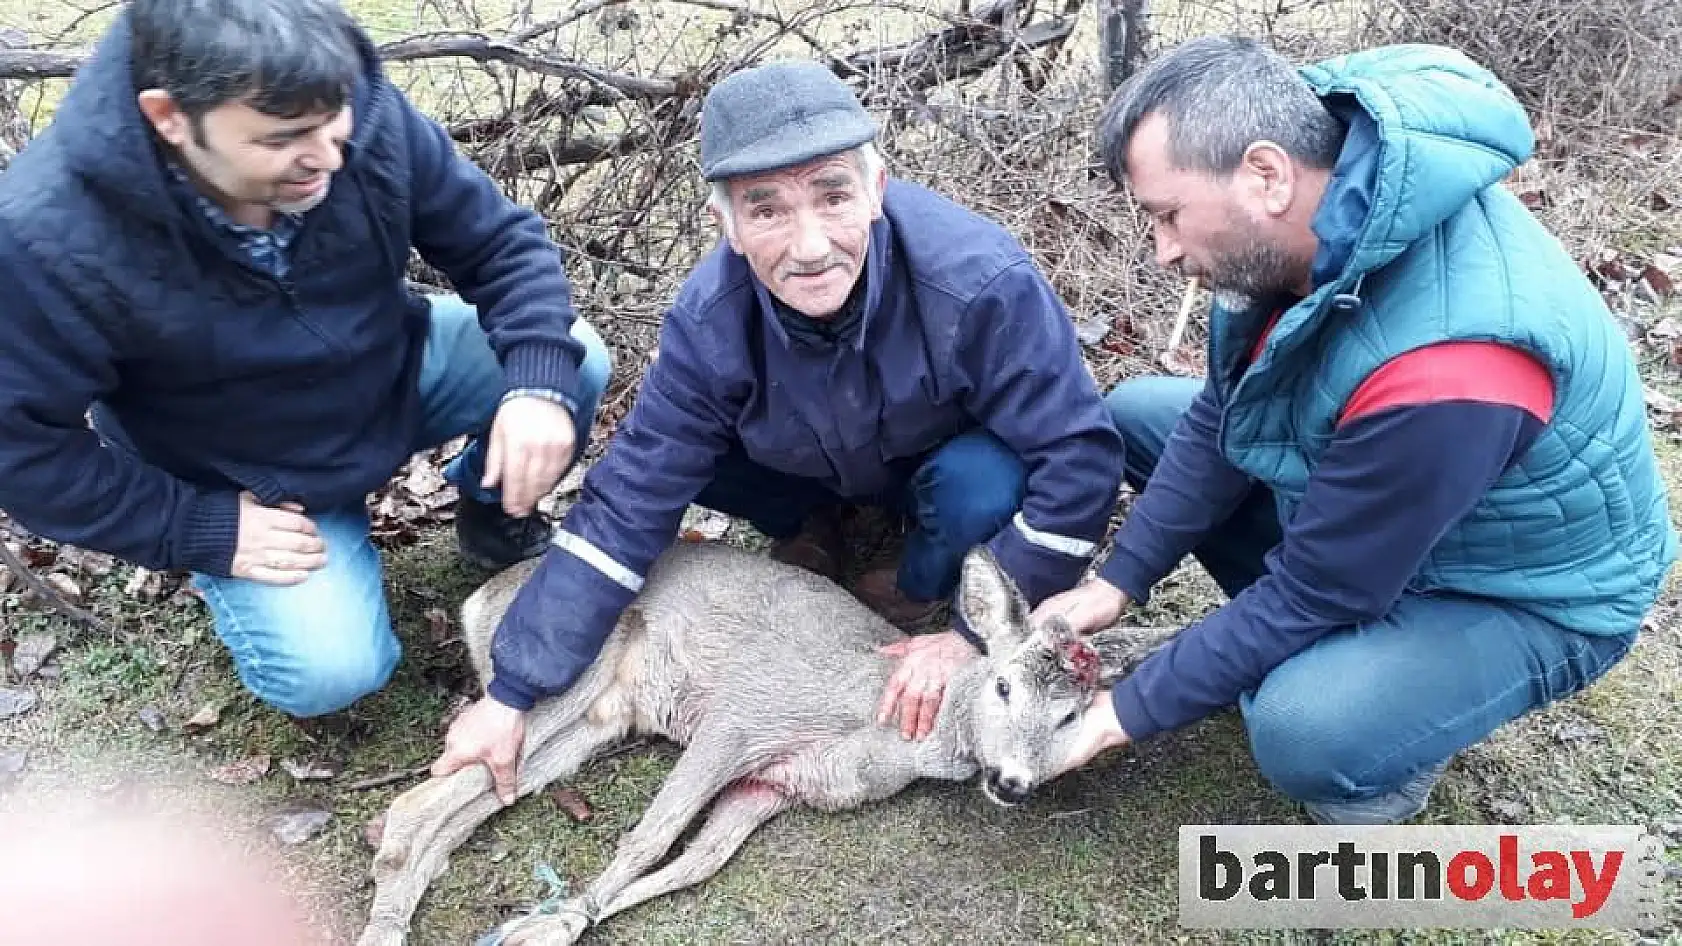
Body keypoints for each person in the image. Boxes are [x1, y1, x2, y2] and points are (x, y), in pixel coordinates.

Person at [432, 60, 1125, 802]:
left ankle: (913, 579)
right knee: (683, 454)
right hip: (803, 465)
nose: (810, 245)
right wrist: (513, 690)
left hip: (937, 470)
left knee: (981, 484)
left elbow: (1080, 460)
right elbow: (625, 505)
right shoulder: (708, 324)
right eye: (766, 212)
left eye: (833, 197)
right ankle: (813, 525)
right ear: (724, 226)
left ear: (877, 191)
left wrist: (966, 635)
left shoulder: (980, 280)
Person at [1035, 36, 1678, 824]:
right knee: (1142, 414)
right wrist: (1117, 580)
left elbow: (1317, 588)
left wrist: (1114, 717)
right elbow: (1228, 408)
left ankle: (1390, 743)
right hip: (1407, 499)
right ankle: (1365, 657)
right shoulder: (1308, 210)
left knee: (1303, 729)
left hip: (1529, 591)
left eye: (1170, 216)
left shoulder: (1455, 364)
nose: (1165, 251)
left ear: (1266, 175)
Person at [0, 0, 613, 719]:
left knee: (574, 361)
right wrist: (199, 526)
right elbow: (23, 450)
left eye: (335, 119)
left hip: (394, 369)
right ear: (170, 117)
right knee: (331, 673)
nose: (329, 154)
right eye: (284, 137)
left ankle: (490, 509)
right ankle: (291, 571)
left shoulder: (345, 103)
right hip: (254, 478)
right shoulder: (46, 237)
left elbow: (500, 245)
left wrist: (536, 385)